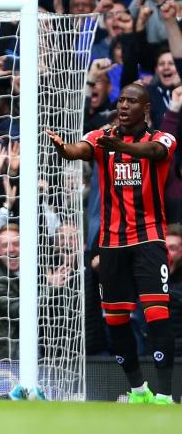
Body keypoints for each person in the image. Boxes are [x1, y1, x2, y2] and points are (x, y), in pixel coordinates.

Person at [47, 82, 177, 404]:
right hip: (110, 245)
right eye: (121, 100)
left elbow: (155, 153)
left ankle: (164, 394)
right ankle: (137, 391)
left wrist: (120, 146)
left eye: (131, 101)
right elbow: (82, 150)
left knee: (157, 315)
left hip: (148, 239)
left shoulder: (162, 138)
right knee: (115, 320)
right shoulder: (101, 139)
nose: (123, 106)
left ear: (145, 108)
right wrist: (65, 149)